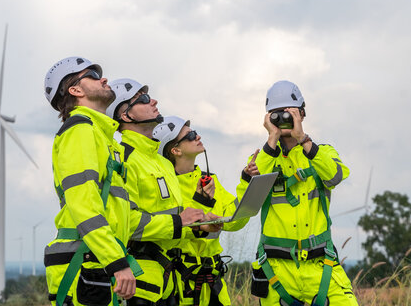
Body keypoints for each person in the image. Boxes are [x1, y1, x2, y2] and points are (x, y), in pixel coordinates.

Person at [42, 58, 187, 306]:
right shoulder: (80, 131)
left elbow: (121, 217)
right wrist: (116, 261)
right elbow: (84, 206)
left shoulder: (102, 137)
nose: (104, 78)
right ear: (75, 90)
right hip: (86, 266)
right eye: (93, 75)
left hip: (99, 266)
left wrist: (178, 223)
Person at [240, 80, 358, 306]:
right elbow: (247, 204)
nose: (284, 119)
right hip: (276, 271)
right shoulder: (260, 159)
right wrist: (271, 140)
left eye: (289, 113)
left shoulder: (321, 152)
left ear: (302, 114)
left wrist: (303, 138)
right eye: (277, 114)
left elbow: (335, 176)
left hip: (322, 266)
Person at [105, 79, 209, 306]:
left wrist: (198, 225)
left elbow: (170, 215)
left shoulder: (163, 163)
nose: (153, 101)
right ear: (125, 116)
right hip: (139, 284)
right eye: (142, 99)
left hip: (171, 281)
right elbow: (125, 221)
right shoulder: (122, 158)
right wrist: (179, 222)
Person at [153, 116, 259, 306]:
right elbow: (181, 227)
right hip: (181, 286)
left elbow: (235, 221)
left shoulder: (210, 180)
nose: (198, 136)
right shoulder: (166, 187)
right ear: (175, 150)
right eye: (190, 135)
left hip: (213, 285)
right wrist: (201, 201)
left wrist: (247, 181)